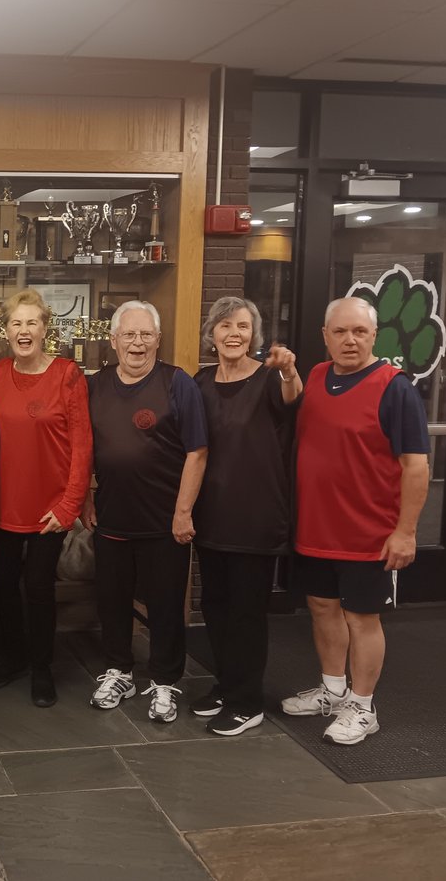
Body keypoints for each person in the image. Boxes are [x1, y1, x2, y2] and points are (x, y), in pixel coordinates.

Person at [283, 296, 430, 745]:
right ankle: (332, 690)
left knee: (361, 618)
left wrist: (405, 532)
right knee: (322, 608)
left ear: (374, 335)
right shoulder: (317, 375)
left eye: (360, 332)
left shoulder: (394, 387)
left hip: (369, 534)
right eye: (341, 332)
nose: (350, 340)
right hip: (315, 527)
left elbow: (416, 466)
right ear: (325, 336)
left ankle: (363, 708)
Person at [85, 300, 207, 724]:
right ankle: (119, 671)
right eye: (129, 335)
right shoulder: (95, 385)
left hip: (164, 521)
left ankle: (165, 680)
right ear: (113, 340)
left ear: (159, 339)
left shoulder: (178, 383)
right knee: (112, 602)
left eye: (146, 335)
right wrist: (85, 496)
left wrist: (183, 511)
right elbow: (85, 450)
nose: (137, 343)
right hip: (112, 517)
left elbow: (197, 451)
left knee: (166, 604)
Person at [190, 297, 301, 736]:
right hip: (211, 516)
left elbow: (293, 399)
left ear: (253, 335)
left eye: (241, 326)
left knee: (246, 613)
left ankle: (247, 701)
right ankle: (226, 684)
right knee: (214, 606)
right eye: (224, 325)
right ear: (211, 334)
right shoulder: (200, 381)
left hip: (256, 518)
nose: (233, 333)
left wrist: (289, 370)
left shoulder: (272, 379)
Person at [0, 289, 91, 708]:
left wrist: (69, 506)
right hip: (3, 504)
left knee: (39, 586)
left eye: (32, 323)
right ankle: (14, 658)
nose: (23, 331)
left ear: (46, 328)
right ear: (5, 330)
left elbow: (82, 446)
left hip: (50, 507)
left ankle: (42, 668)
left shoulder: (67, 374)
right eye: (16, 323)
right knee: (3, 584)